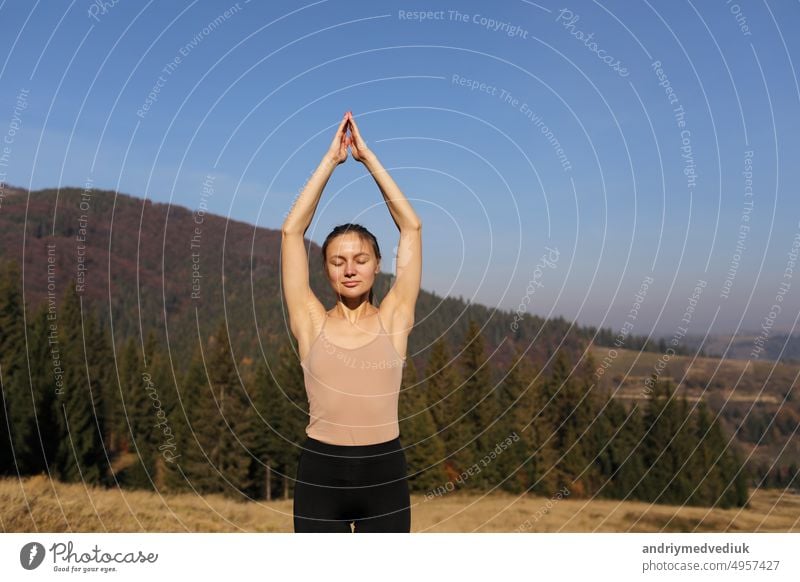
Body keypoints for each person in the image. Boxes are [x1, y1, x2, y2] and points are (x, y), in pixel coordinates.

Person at [281, 111, 422, 532]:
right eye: (337, 261)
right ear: (324, 269)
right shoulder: (310, 324)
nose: (349, 269)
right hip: (319, 477)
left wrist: (367, 158)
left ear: (378, 266)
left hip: (386, 477)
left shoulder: (395, 320)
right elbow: (291, 233)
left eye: (360, 259)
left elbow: (411, 227)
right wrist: (330, 161)